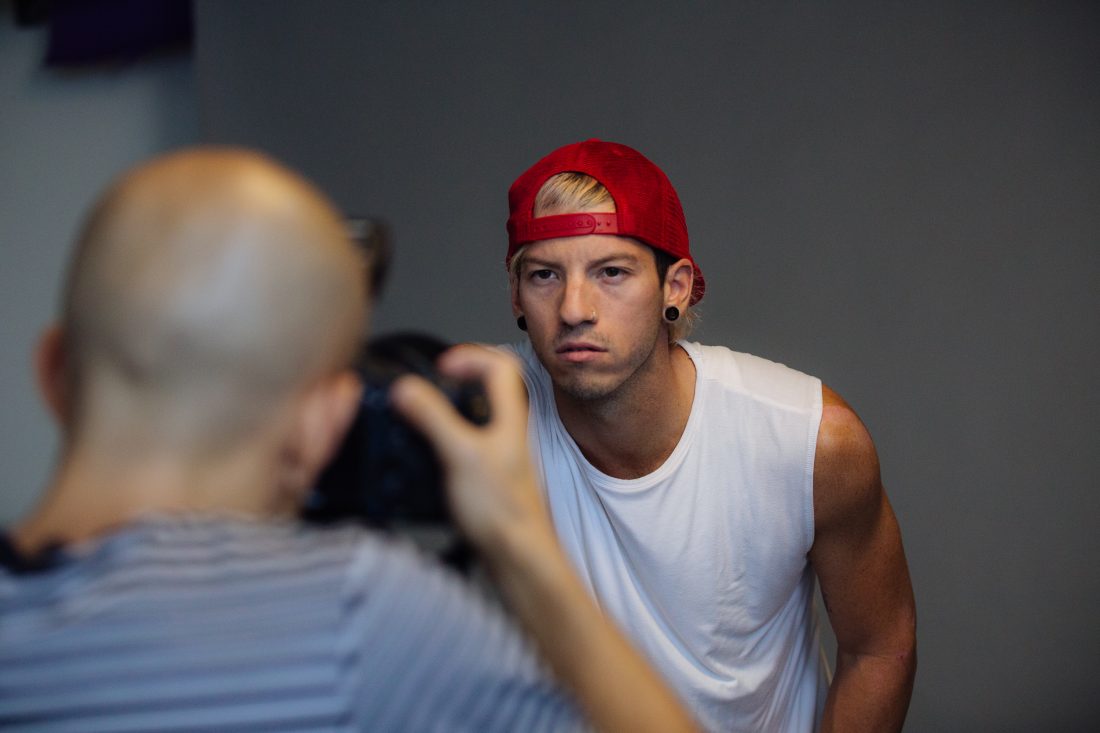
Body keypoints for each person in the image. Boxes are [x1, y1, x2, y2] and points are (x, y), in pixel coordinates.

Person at [0, 148, 698, 732]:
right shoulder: (361, 614)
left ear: (53, 371)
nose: (575, 307)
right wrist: (519, 539)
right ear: (323, 419)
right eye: (545, 275)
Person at [502, 139, 917, 732]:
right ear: (516, 294)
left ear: (675, 285)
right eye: (544, 275)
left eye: (611, 272)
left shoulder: (808, 441)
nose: (574, 308)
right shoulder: (486, 413)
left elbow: (881, 649)